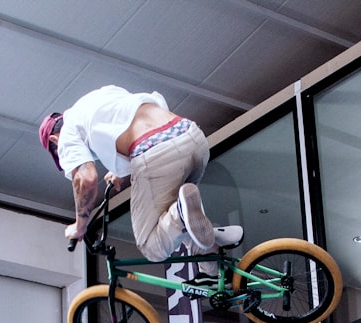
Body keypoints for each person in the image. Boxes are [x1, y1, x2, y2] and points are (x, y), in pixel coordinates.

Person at [39, 85, 241, 274]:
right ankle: (215, 269)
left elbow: (86, 179)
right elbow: (137, 120)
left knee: (152, 246)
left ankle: (181, 212)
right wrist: (121, 169)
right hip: (191, 136)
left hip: (158, 155)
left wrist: (80, 226)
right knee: (177, 224)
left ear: (53, 140)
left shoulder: (65, 135)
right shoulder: (100, 96)